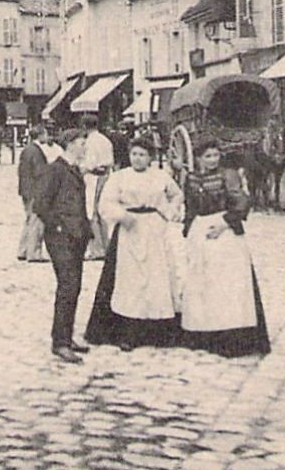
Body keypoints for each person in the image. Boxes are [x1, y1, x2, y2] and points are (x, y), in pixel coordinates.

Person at [85, 139, 185, 350]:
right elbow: (106, 203)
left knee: (156, 277)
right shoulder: (120, 177)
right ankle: (128, 332)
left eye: (142, 154)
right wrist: (121, 215)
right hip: (130, 231)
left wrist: (169, 210)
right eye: (134, 154)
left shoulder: (160, 176)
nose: (137, 158)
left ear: (150, 157)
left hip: (154, 230)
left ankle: (157, 331)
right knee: (131, 280)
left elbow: (176, 194)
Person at [180, 142, 271, 358]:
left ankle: (231, 337)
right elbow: (190, 206)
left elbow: (241, 202)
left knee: (227, 284)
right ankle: (204, 335)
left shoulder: (228, 175)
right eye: (208, 156)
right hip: (200, 230)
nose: (213, 160)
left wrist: (224, 224)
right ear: (199, 158)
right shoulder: (191, 178)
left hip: (224, 231)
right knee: (203, 283)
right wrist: (189, 230)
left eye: (215, 155)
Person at [35, 130, 93, 363]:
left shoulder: (73, 169)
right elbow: (40, 204)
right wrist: (56, 227)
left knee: (74, 287)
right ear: (69, 145)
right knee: (67, 286)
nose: (84, 148)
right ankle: (60, 342)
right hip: (61, 238)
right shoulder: (55, 170)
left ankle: (66, 337)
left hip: (76, 236)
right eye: (81, 144)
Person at [78, 114, 116, 262]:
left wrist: (81, 169)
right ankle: (106, 246)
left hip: (95, 177)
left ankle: (97, 249)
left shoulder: (90, 142)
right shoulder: (105, 140)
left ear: (85, 127)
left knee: (92, 213)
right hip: (107, 175)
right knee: (102, 212)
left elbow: (90, 163)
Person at [16, 124, 53, 263]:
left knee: (29, 220)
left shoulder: (27, 150)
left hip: (25, 189)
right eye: (46, 134)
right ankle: (34, 253)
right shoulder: (36, 152)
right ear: (41, 135)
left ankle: (23, 250)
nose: (47, 137)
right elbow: (39, 172)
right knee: (36, 221)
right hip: (34, 190)